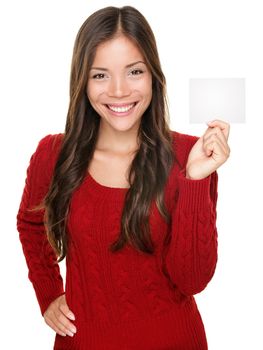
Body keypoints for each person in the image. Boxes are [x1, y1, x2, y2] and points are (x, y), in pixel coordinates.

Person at [16, 5, 230, 350]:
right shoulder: (53, 154)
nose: (118, 91)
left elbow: (192, 280)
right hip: (83, 341)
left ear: (153, 76)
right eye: (100, 75)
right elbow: (31, 224)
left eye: (134, 72)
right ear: (82, 81)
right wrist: (49, 293)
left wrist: (194, 180)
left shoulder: (190, 156)